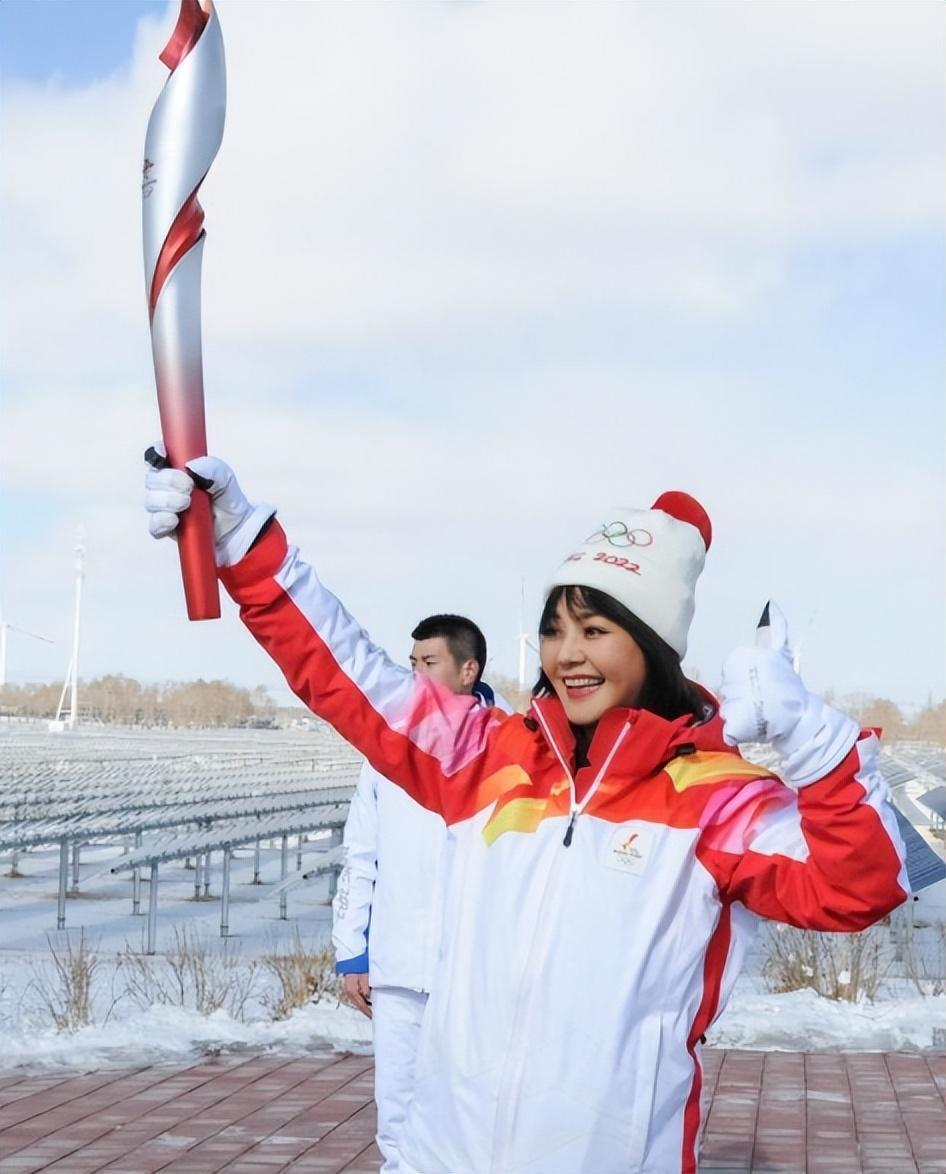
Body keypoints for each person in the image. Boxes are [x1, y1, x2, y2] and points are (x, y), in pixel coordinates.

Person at [146, 458, 908, 1174]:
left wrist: (815, 744)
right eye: (555, 629)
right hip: (446, 1155)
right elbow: (347, 678)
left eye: (596, 630)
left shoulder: (714, 797)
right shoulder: (488, 759)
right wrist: (242, 545)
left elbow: (857, 887)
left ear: (652, 645)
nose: (567, 655)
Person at [334, 612, 510, 1172]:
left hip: (476, 971)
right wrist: (351, 951)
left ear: (468, 669)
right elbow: (361, 852)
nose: (415, 677)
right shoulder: (385, 750)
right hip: (398, 965)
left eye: (428, 664)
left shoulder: (511, 748)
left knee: (475, 1112)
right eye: (411, 664)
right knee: (398, 1115)